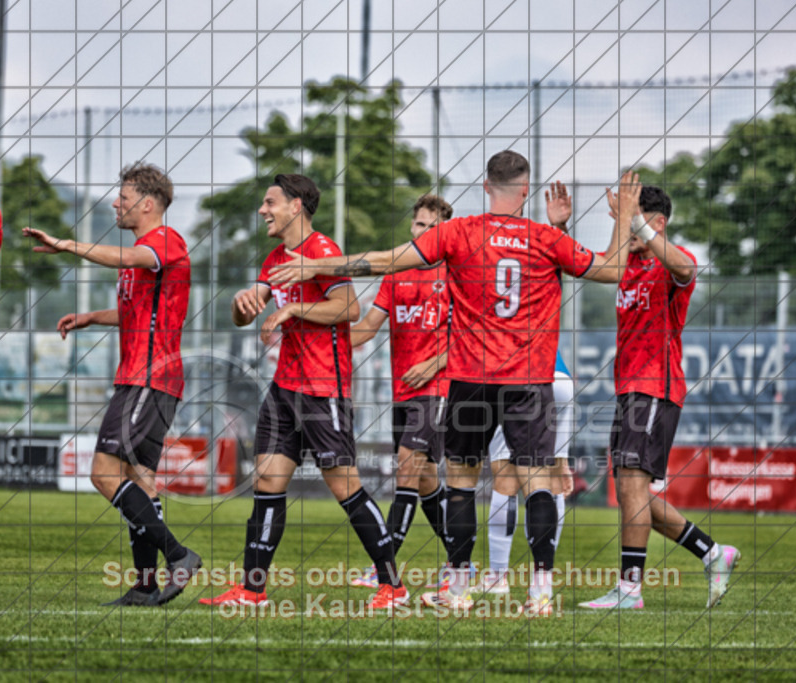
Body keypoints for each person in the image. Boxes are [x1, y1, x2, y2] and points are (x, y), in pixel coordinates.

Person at [269, 152, 641, 616]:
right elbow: (612, 269)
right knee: (536, 483)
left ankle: (459, 589)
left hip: (470, 379)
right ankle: (540, 592)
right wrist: (624, 217)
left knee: (462, 482)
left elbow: (386, 260)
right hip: (529, 380)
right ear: (526, 192)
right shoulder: (546, 238)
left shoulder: (460, 231)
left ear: (486, 188)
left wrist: (317, 267)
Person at [199, 173, 407, 611]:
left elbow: (349, 308)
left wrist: (293, 307)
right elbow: (250, 310)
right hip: (284, 388)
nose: (262, 210)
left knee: (346, 488)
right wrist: (242, 305)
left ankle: (392, 586)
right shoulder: (276, 257)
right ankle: (252, 590)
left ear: (296, 207)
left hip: (323, 388)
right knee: (267, 483)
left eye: (270, 202)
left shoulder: (323, 251)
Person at [25, 162, 200, 607]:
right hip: (148, 379)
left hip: (149, 377)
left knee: (103, 474)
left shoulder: (163, 240)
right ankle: (145, 585)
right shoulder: (144, 250)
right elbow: (139, 309)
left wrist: (65, 245)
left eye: (122, 197)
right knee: (140, 480)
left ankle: (179, 555)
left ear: (147, 203)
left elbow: (127, 258)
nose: (115, 203)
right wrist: (90, 318)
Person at [579, 185, 740, 611]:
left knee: (632, 486)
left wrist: (637, 224)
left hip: (655, 387)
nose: (626, 228)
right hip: (629, 389)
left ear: (658, 222)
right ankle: (712, 553)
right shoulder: (627, 263)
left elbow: (686, 267)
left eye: (635, 218)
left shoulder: (672, 259)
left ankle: (629, 590)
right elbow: (587, 266)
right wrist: (560, 228)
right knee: (635, 494)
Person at [348, 195, 454, 589]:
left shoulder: (456, 274)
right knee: (424, 480)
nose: (422, 233)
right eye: (418, 225)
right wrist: (324, 337)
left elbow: (472, 336)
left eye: (431, 227)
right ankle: (462, 561)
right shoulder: (396, 274)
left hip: (439, 388)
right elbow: (367, 328)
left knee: (408, 467)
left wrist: (431, 364)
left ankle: (384, 568)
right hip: (403, 392)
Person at [481, 351, 574, 596]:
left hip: (520, 372)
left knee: (505, 476)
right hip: (561, 378)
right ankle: (544, 578)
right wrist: (563, 462)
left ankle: (497, 577)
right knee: (553, 476)